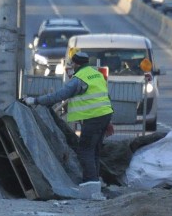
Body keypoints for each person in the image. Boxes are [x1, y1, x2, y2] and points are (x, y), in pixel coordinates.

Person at [25, 51, 113, 193]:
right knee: (94, 150)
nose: (71, 66)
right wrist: (108, 122)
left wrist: (35, 100)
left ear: (77, 64)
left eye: (72, 63)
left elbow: (60, 95)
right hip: (104, 116)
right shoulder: (96, 74)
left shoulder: (79, 79)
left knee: (85, 150)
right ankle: (95, 181)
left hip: (93, 118)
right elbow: (106, 97)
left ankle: (91, 183)